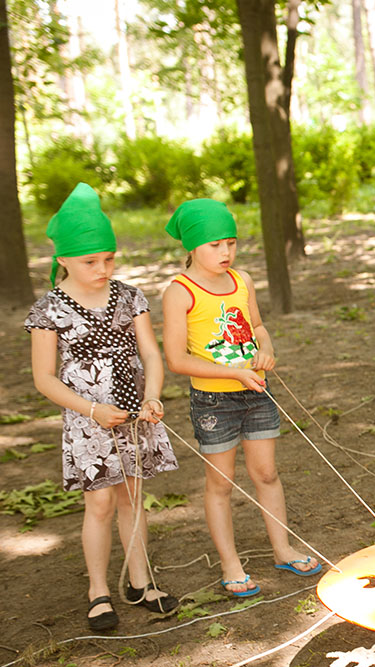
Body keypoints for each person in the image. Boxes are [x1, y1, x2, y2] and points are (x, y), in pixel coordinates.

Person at [26, 183, 180, 631]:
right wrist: (92, 411)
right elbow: (44, 378)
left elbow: (150, 353)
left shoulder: (130, 296)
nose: (102, 268)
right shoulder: (48, 309)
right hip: (87, 420)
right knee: (99, 505)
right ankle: (99, 590)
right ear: (64, 261)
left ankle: (139, 581)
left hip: (135, 412)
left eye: (109, 258)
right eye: (90, 261)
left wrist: (152, 394)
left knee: (133, 498)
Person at [162, 199, 321, 597]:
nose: (226, 252)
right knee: (221, 482)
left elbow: (257, 326)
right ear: (193, 247)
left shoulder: (242, 280)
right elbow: (177, 360)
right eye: (215, 244)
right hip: (215, 402)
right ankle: (230, 565)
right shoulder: (180, 293)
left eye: (231, 242)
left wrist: (266, 349)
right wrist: (234, 373)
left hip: (257, 393)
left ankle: (282, 548)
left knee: (266, 473)